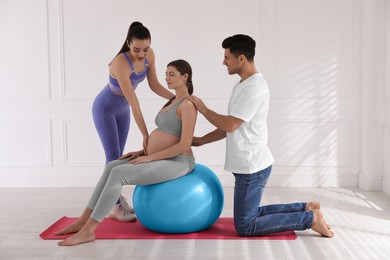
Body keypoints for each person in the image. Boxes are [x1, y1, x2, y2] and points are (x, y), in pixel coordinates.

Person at [187, 34, 334, 238]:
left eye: (227, 57)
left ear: (241, 59)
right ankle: (307, 208)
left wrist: (203, 109)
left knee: (246, 225)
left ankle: (309, 219)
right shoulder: (241, 85)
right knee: (250, 215)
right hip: (248, 164)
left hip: (252, 166)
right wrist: (202, 140)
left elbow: (230, 124)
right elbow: (232, 124)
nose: (223, 62)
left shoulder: (254, 87)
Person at [57, 59, 197, 246]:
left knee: (119, 174)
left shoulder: (187, 105)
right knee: (112, 166)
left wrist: (150, 157)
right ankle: (83, 220)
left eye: (171, 74)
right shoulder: (172, 101)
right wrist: (141, 152)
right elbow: (167, 135)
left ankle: (89, 231)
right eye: (166, 74)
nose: (166, 78)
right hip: (160, 157)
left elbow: (183, 144)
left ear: (185, 76)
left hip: (179, 162)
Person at [92, 21, 174, 221]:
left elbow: (154, 85)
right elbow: (134, 102)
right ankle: (115, 206)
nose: (141, 54)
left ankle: (115, 201)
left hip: (122, 110)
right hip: (105, 109)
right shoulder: (120, 63)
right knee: (113, 157)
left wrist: (175, 98)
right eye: (136, 49)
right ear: (128, 43)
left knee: (119, 158)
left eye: (145, 49)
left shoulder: (149, 55)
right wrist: (145, 134)